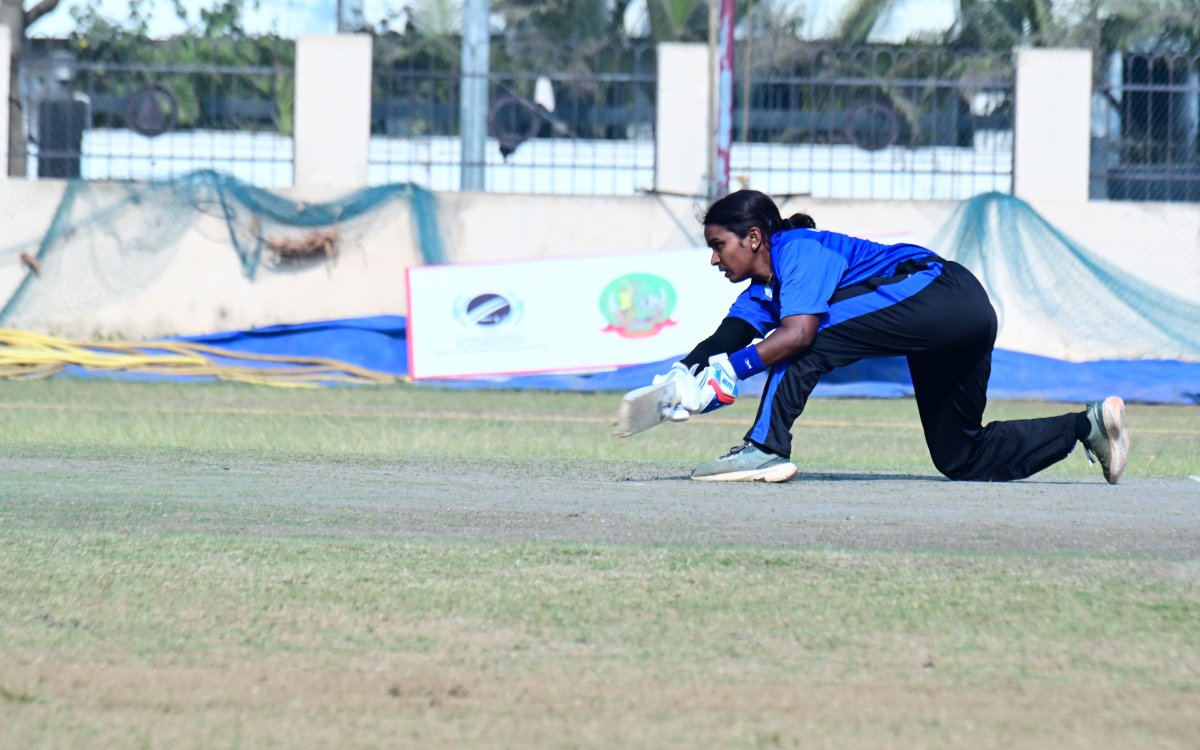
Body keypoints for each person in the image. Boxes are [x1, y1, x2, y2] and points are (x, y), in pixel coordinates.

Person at [658, 189, 1130, 484]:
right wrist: (680, 375)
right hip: (958, 319)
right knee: (961, 456)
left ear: (755, 238)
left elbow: (799, 334)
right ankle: (1085, 426)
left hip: (940, 290)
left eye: (719, 246)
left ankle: (764, 450)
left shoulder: (797, 249)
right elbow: (728, 335)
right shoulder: (762, 292)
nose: (715, 260)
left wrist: (735, 369)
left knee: (804, 339)